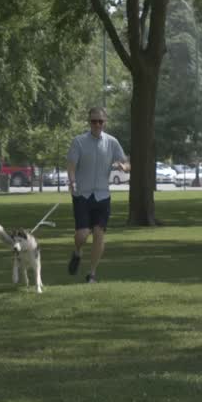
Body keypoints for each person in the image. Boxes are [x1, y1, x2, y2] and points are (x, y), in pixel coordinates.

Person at [66, 106, 129, 283]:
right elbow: (71, 164)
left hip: (102, 195)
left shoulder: (112, 142)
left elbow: (125, 162)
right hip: (82, 195)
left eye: (100, 121)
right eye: (94, 121)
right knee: (82, 234)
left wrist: (124, 167)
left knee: (99, 234)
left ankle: (91, 274)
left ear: (105, 122)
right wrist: (72, 180)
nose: (97, 124)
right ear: (89, 122)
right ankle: (77, 252)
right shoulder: (79, 141)